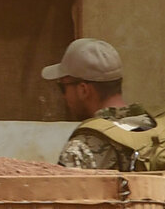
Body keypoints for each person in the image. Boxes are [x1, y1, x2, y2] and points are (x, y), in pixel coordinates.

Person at [45, 38, 158, 169]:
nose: (64, 96)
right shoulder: (154, 128)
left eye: (63, 87)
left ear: (83, 90)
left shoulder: (81, 150)